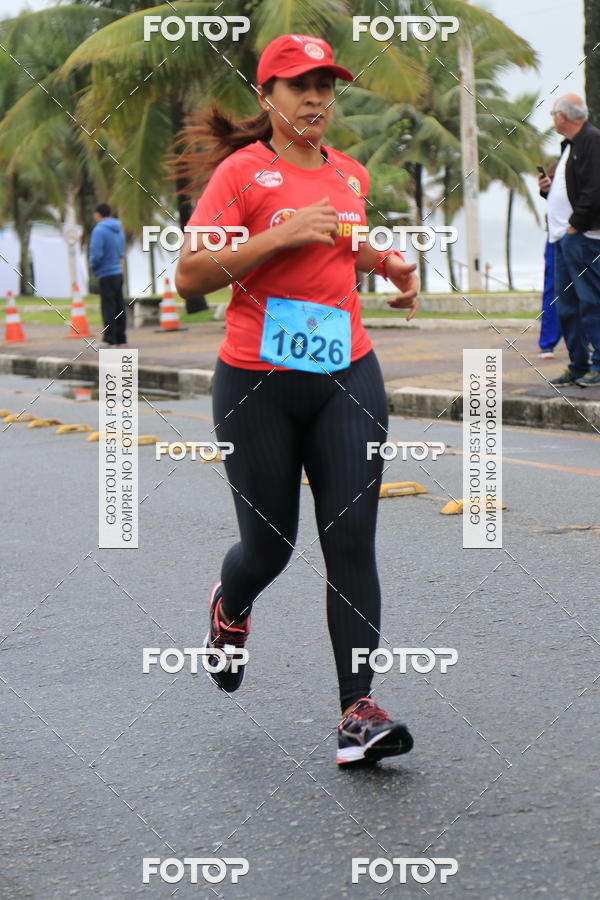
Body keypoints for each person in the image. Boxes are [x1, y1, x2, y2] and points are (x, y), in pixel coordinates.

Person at [175, 34, 419, 766]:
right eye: (298, 85)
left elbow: (349, 243)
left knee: (350, 542)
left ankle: (357, 714)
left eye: (325, 85)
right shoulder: (242, 175)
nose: (315, 98)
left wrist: (392, 265)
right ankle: (232, 604)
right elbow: (189, 276)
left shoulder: (350, 173)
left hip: (349, 372)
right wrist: (274, 239)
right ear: (266, 97)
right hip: (257, 383)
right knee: (270, 546)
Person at [538, 94, 600, 386]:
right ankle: (578, 364)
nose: (552, 119)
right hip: (562, 239)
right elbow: (571, 189)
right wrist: (547, 190)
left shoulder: (591, 140)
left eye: (553, 114)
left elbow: (595, 188)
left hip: (581, 237)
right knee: (566, 306)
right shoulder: (569, 146)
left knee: (590, 302)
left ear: (564, 116)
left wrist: (576, 226)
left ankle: (598, 365)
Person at [90, 203, 127, 347]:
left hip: (105, 273)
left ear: (98, 214)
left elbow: (96, 253)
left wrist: (93, 266)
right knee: (119, 306)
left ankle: (109, 339)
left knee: (108, 307)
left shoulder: (99, 230)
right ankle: (121, 337)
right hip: (118, 271)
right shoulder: (118, 229)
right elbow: (121, 250)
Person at [538, 162, 561, 359]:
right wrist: (546, 189)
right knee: (552, 289)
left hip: (586, 233)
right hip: (556, 236)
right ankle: (548, 343)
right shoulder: (561, 162)